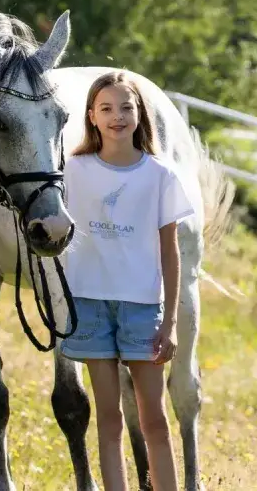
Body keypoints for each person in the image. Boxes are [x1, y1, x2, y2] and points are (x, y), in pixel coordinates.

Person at [59, 71, 195, 491]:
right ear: (92, 117)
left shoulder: (160, 175)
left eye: (126, 107)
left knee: (153, 417)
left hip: (141, 309)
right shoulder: (71, 171)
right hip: (90, 306)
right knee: (109, 417)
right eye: (106, 108)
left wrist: (169, 321)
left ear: (140, 114)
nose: (117, 116)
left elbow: (170, 254)